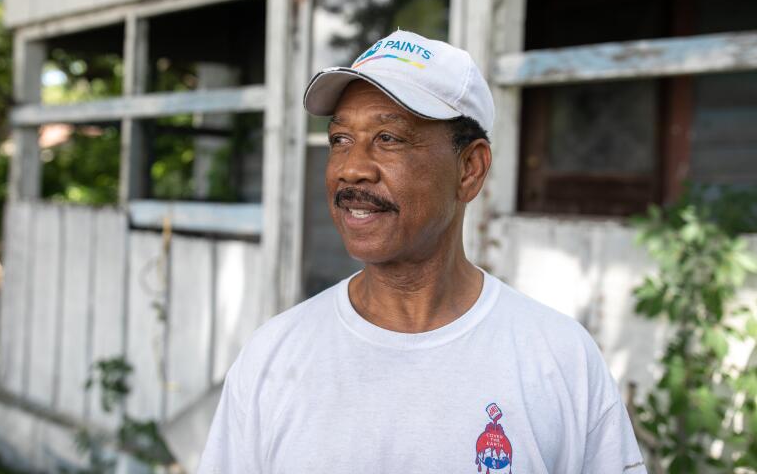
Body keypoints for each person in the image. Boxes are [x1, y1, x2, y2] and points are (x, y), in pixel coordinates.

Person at [196, 30, 647, 473]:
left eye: (388, 139)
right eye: (340, 140)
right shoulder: (274, 358)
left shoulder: (559, 360)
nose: (352, 169)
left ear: (470, 169)